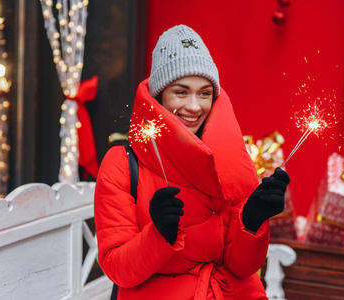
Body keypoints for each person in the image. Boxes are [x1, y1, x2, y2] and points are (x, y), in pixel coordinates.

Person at [94, 24, 290, 299]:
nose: (195, 107)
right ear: (159, 94)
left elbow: (242, 266)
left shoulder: (232, 157)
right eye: (181, 92)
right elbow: (119, 270)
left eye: (205, 93)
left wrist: (252, 221)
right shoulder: (123, 163)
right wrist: (158, 235)